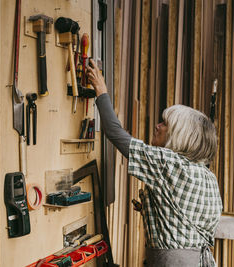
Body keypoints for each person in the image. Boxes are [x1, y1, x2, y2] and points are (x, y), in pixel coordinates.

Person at [86, 59, 223, 267]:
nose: (157, 126)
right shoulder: (206, 175)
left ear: (178, 135)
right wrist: (152, 208)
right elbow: (185, 220)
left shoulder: (170, 165)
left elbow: (114, 132)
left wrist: (100, 88)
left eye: (165, 124)